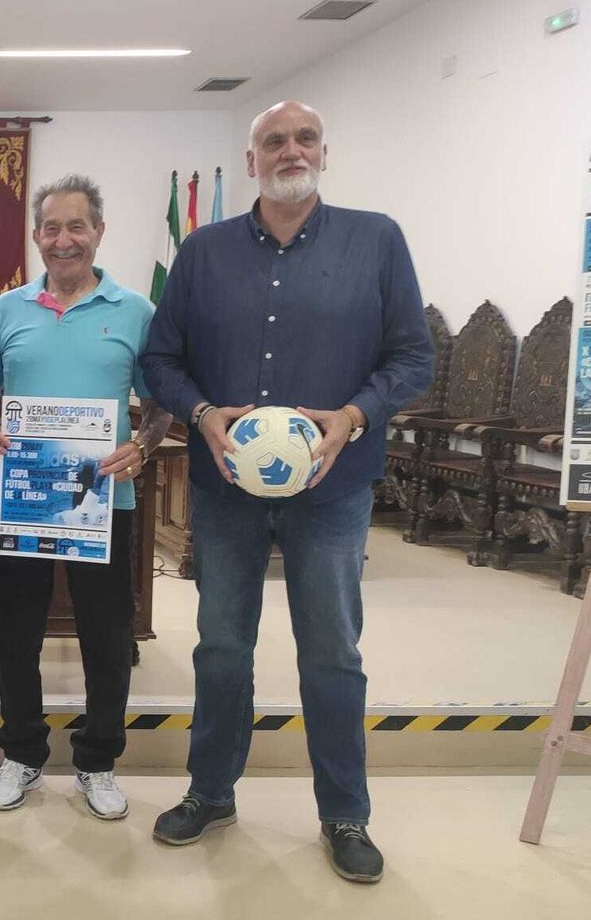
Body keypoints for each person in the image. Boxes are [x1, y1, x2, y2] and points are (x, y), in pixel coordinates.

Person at [141, 102, 433, 884]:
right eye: (274, 139)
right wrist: (201, 414)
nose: (290, 150)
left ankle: (345, 812)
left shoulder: (377, 241)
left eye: (304, 138)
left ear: (324, 153)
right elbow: (159, 361)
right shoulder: (202, 253)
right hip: (226, 489)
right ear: (252, 159)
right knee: (222, 647)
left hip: (334, 492)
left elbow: (413, 359)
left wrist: (351, 415)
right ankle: (211, 791)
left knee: (332, 652)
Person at [0, 173, 172, 820]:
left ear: (98, 232)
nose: (65, 240)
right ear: (37, 236)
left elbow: (163, 402)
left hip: (102, 509)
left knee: (106, 638)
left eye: (77, 226)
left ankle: (97, 759)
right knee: (16, 637)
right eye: (52, 228)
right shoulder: (7, 311)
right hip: (24, 503)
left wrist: (143, 447)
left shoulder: (136, 312)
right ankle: (23, 752)